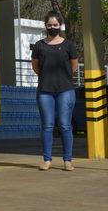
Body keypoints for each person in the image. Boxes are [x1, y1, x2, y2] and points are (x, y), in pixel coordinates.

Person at [31, 11, 78, 171]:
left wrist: (61, 78)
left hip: (65, 90)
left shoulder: (68, 45)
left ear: (60, 26)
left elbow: (74, 66)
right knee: (47, 126)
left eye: (55, 25)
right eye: (50, 25)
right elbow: (35, 67)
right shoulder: (39, 45)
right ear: (46, 26)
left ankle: (68, 160)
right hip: (45, 91)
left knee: (65, 125)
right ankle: (47, 160)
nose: (52, 27)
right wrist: (47, 77)